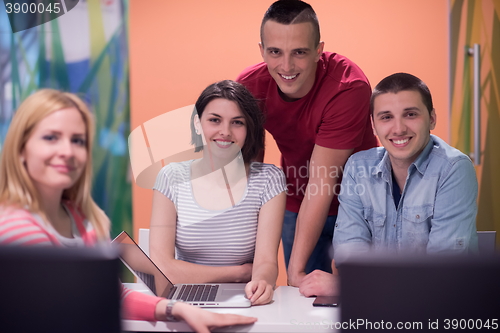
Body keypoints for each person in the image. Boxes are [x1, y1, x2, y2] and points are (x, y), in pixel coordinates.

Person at [0, 89, 257, 332]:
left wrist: (175, 308)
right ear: (21, 148)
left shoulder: (78, 218)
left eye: (77, 140)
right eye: (50, 137)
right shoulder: (16, 229)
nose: (67, 151)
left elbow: (108, 294)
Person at [236, 0, 378, 287]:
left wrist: (295, 271)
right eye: (275, 52)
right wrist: (249, 262)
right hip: (296, 201)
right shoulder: (250, 87)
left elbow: (322, 180)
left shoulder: (348, 86)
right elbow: (252, 173)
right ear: (262, 50)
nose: (286, 66)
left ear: (318, 51)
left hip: (360, 205)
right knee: (303, 300)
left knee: (362, 297)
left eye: (299, 52)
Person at [299, 72, 479, 297]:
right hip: (375, 308)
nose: (398, 129)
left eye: (410, 114)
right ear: (373, 125)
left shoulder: (454, 169)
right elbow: (350, 259)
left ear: (432, 118)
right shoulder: (358, 168)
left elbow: (442, 273)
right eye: (386, 117)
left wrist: (347, 286)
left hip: (440, 310)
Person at [149, 80, 287, 305]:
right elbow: (162, 269)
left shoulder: (269, 179)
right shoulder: (171, 177)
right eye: (215, 120)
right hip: (185, 303)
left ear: (248, 128)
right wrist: (239, 273)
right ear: (197, 123)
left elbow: (266, 263)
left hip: (244, 300)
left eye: (237, 122)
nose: (225, 132)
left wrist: (261, 280)